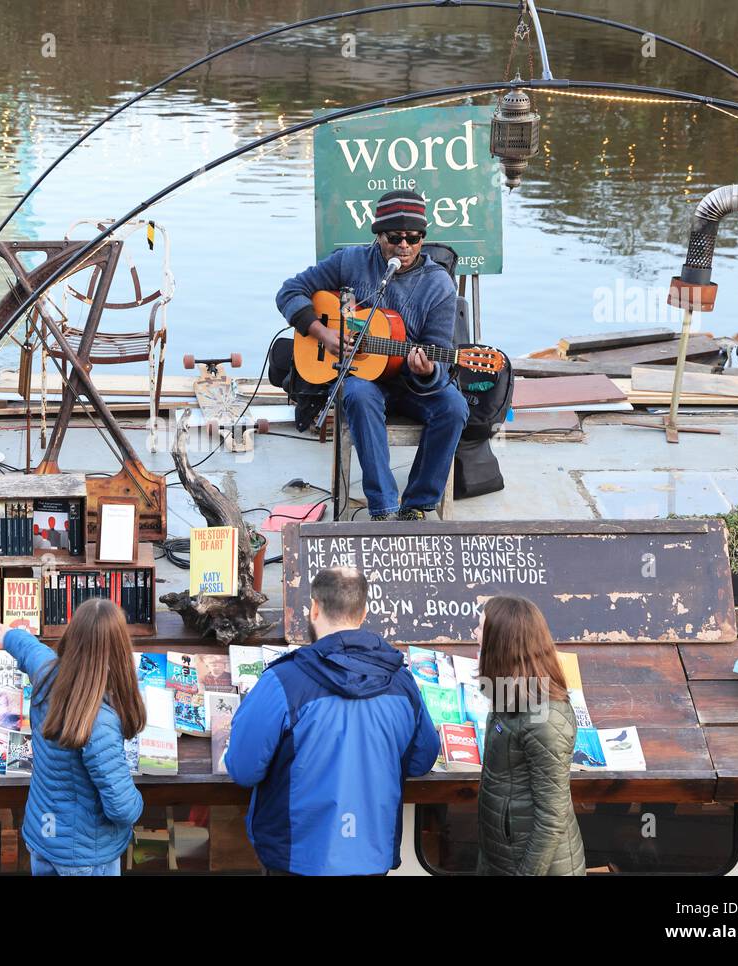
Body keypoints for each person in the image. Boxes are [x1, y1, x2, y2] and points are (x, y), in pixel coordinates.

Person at [225, 567, 439, 875]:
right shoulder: (403, 684)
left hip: (295, 857)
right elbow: (422, 760)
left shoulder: (282, 681)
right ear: (363, 612)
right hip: (371, 856)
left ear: (314, 608)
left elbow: (243, 769)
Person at [276, 189, 468, 520]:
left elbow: (437, 350)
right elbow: (289, 291)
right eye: (395, 238)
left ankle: (418, 503)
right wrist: (324, 334)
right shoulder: (351, 262)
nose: (405, 246)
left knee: (454, 407)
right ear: (379, 236)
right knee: (358, 392)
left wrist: (426, 371)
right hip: (364, 378)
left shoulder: (438, 284)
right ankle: (383, 505)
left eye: (414, 238)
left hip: (411, 383)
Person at [0, 597, 146, 876]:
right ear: (119, 650)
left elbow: (31, 650)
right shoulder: (100, 723)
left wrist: (9, 635)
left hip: (44, 835)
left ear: (72, 636)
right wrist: (138, 804)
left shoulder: (48, 673)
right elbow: (121, 807)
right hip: (84, 854)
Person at [473, 595, 586, 876]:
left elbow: (551, 817)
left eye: (480, 627)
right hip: (503, 856)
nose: (474, 634)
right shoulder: (509, 692)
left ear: (501, 641)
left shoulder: (544, 717)